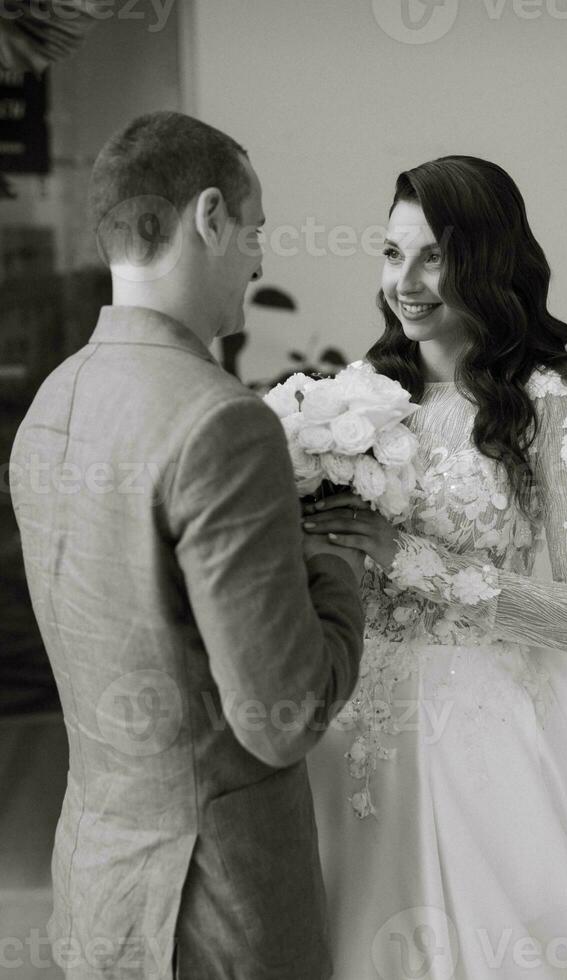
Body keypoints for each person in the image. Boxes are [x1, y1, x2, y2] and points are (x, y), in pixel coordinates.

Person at [9, 111, 365, 980]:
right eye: (255, 229)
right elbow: (279, 721)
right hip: (213, 909)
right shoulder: (220, 421)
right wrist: (343, 569)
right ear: (209, 216)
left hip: (97, 889)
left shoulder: (50, 403)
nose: (259, 257)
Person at [303, 156, 567, 979]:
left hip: (480, 727)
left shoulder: (548, 398)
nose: (406, 282)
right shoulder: (362, 398)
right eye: (391, 254)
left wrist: (407, 557)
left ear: (485, 262)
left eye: (433, 257)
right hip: (353, 725)